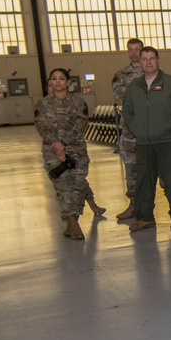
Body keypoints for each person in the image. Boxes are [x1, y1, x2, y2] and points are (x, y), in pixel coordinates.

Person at [123, 46, 171, 232]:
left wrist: (169, 125)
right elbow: (127, 110)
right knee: (144, 181)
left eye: (151, 58)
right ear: (140, 62)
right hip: (144, 143)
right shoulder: (134, 87)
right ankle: (145, 217)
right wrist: (135, 127)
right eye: (144, 59)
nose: (148, 62)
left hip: (168, 141)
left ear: (158, 61)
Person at [34, 68, 105, 240]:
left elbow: (80, 125)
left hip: (76, 150)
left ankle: (73, 220)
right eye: (54, 78)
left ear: (68, 82)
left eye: (61, 78)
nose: (57, 81)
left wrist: (63, 144)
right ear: (50, 82)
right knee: (63, 185)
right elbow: (42, 127)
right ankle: (73, 223)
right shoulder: (42, 104)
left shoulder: (79, 102)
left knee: (77, 185)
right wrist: (57, 147)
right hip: (52, 151)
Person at [110, 37, 143, 220]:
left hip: (152, 128)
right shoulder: (121, 74)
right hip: (130, 129)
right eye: (130, 49)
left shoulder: (155, 72)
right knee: (131, 168)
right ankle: (133, 205)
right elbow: (117, 94)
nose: (134, 52)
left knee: (162, 170)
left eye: (137, 49)